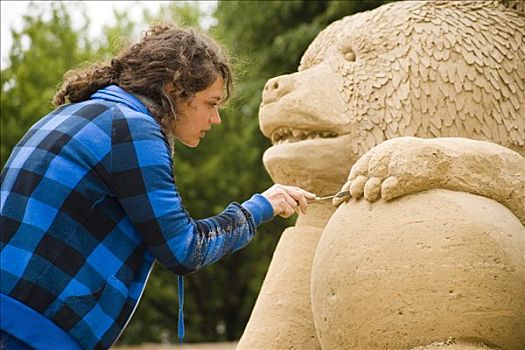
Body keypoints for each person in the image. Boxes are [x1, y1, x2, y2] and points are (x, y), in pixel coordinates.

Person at [0, 23, 316, 350]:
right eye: (211, 103)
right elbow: (184, 249)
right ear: (174, 89)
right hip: (28, 333)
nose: (216, 119)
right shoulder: (132, 129)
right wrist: (260, 208)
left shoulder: (76, 113)